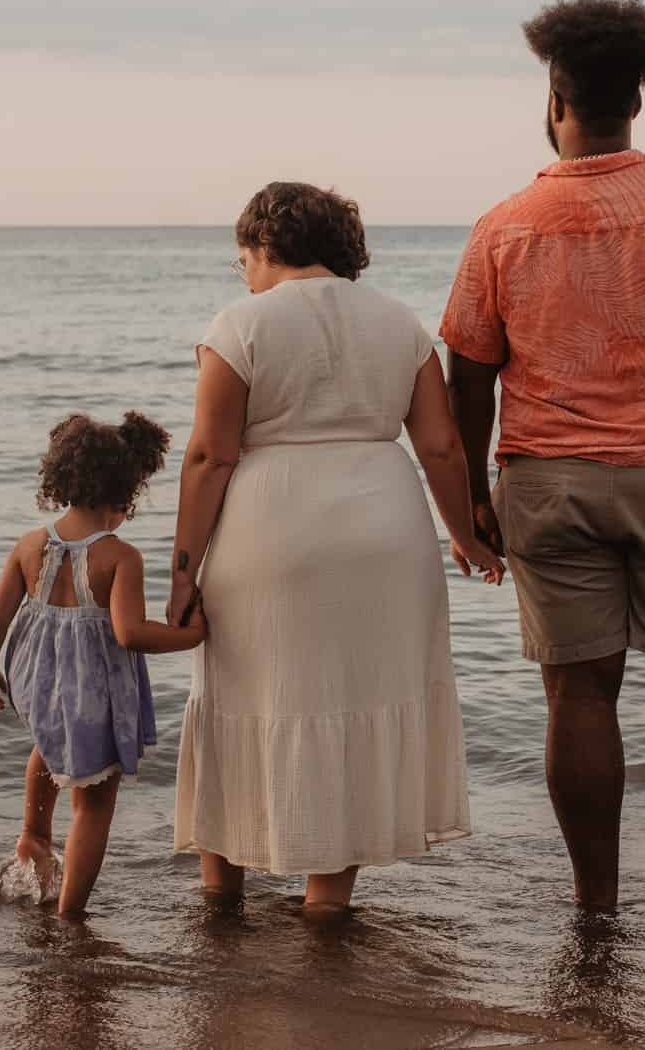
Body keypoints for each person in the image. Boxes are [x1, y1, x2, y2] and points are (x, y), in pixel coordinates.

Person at [441, 0, 645, 919]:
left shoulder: (503, 228)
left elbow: (466, 376)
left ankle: (597, 904)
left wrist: (471, 495)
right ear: (638, 99)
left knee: (579, 696)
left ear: (556, 100)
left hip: (549, 484)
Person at [169, 182, 505, 914]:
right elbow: (443, 449)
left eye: (244, 258)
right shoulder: (399, 324)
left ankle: (221, 896)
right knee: (358, 700)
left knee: (241, 695)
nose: (245, 273)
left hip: (271, 531)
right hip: (384, 533)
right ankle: (326, 903)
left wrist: (180, 573)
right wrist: (467, 537)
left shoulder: (240, 326)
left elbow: (207, 459)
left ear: (263, 247)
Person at [0, 412, 206, 917]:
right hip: (91, 686)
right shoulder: (119, 557)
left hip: (34, 680)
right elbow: (129, 632)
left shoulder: (30, 545)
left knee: (49, 745)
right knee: (94, 804)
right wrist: (191, 635)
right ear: (125, 493)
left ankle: (33, 835)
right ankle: (70, 913)